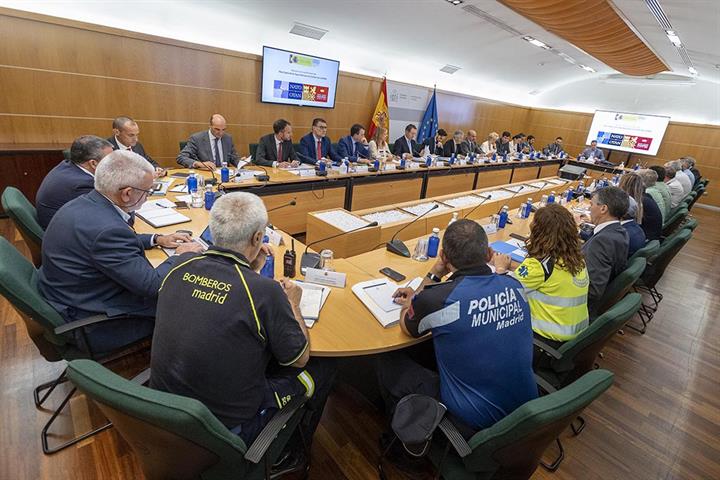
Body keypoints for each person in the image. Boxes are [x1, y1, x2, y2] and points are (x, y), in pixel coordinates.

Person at [150, 192, 335, 473]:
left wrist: (249, 270)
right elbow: (299, 358)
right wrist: (293, 305)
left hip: (166, 412)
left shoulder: (177, 268)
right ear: (257, 238)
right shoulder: (265, 291)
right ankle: (289, 452)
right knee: (323, 370)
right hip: (224, 430)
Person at [378, 220, 537, 434]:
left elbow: (408, 326)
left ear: (444, 256)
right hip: (525, 409)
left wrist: (432, 275)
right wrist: (420, 298)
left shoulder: (440, 299)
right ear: (490, 254)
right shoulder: (514, 285)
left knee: (386, 361)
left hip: (474, 421)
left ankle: (405, 450)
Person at [38, 150, 203, 353]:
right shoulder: (107, 230)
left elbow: (111, 242)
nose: (147, 196)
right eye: (147, 191)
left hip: (71, 294)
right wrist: (182, 255)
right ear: (127, 193)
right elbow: (153, 286)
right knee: (192, 300)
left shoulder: (85, 204)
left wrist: (157, 239)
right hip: (96, 320)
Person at [493, 204, 589, 358]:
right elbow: (542, 277)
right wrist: (510, 265)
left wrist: (499, 269)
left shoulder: (539, 265)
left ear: (539, 231)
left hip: (543, 343)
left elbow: (501, 294)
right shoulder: (577, 259)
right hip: (573, 340)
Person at [36, 135, 113, 229]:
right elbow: (107, 214)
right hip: (64, 234)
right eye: (110, 160)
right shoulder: (83, 184)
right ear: (93, 163)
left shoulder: (68, 165)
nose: (114, 163)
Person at [581, 186, 629, 317]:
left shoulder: (602, 240)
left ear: (603, 208)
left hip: (579, 309)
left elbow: (593, 291)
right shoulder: (619, 231)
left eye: (591, 204)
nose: (589, 209)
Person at [619, 172, 662, 241]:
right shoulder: (645, 197)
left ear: (623, 186)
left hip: (644, 238)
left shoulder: (639, 202)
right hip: (647, 237)